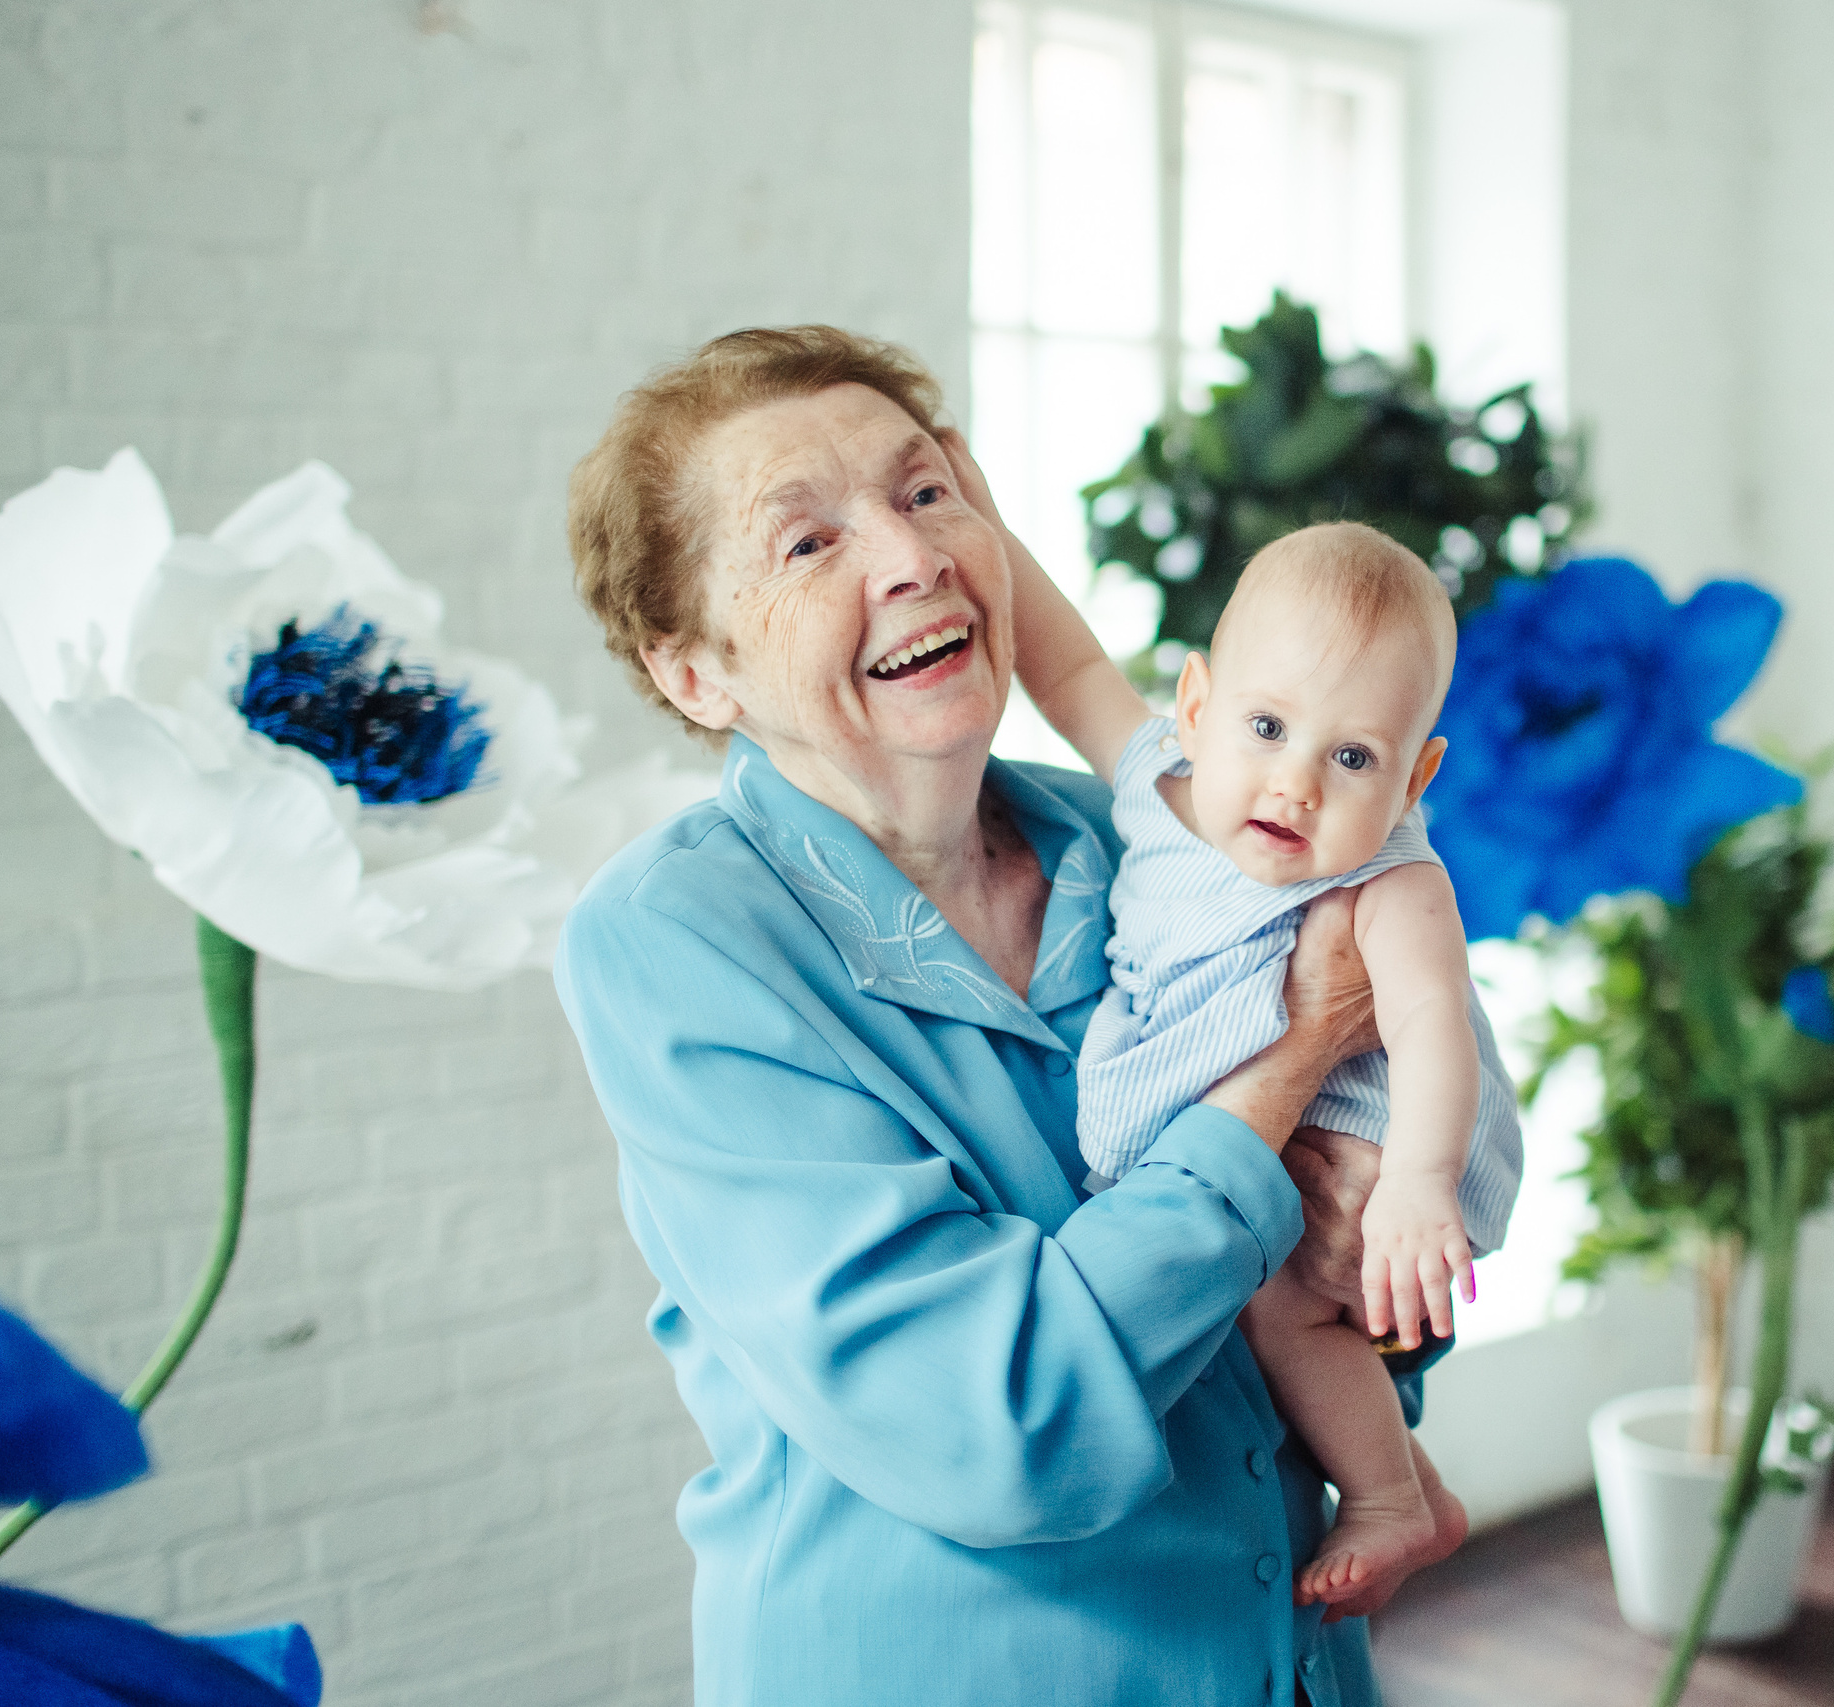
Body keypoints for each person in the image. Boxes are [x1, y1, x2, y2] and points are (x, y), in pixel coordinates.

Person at [554, 325, 1455, 1707]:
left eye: (927, 493)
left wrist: (1376, 1257)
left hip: (1292, 1659)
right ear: (695, 674)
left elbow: (1397, 1213)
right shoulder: (676, 942)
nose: (911, 557)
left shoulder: (1158, 834)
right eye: (808, 542)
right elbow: (1001, 1426)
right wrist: (1282, 1075)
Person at [1011, 521, 1522, 1610]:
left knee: (1282, 1309)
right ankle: (1415, 1486)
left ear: (1416, 776)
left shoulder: (1392, 880)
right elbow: (1066, 665)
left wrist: (1418, 1184)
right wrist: (973, 521)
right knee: (1248, 1309)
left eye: (1353, 758)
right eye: (1268, 727)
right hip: (1252, 1121)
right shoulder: (1156, 777)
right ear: (1194, 707)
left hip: (1376, 1141)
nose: (1295, 785)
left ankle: (1386, 1497)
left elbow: (1433, 1023)